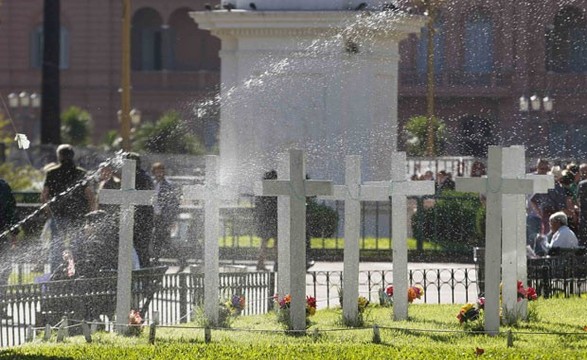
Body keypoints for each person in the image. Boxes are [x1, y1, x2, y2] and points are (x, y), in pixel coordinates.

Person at [41, 144, 96, 271]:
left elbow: (44, 195)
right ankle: (78, 271)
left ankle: (56, 273)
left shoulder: (52, 173)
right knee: (78, 245)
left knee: (56, 246)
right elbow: (90, 196)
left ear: (59, 156)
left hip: (58, 214)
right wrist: (91, 214)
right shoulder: (81, 173)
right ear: (73, 156)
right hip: (78, 216)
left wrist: (48, 211)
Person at [125, 153, 154, 268]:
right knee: (143, 250)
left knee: (136, 249)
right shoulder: (145, 176)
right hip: (145, 218)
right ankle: (145, 275)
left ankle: (140, 276)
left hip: (137, 218)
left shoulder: (134, 176)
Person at [151, 162, 181, 265]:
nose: (159, 173)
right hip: (155, 217)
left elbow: (174, 203)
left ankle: (181, 259)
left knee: (165, 241)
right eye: (156, 171)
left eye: (161, 171)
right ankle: (156, 260)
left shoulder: (169, 185)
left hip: (164, 217)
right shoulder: (152, 184)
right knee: (158, 240)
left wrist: (172, 219)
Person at [255, 170, 278, 271]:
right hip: (274, 217)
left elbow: (258, 205)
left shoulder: (263, 189)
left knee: (264, 242)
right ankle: (277, 263)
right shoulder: (276, 190)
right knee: (277, 242)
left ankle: (260, 263)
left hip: (264, 218)